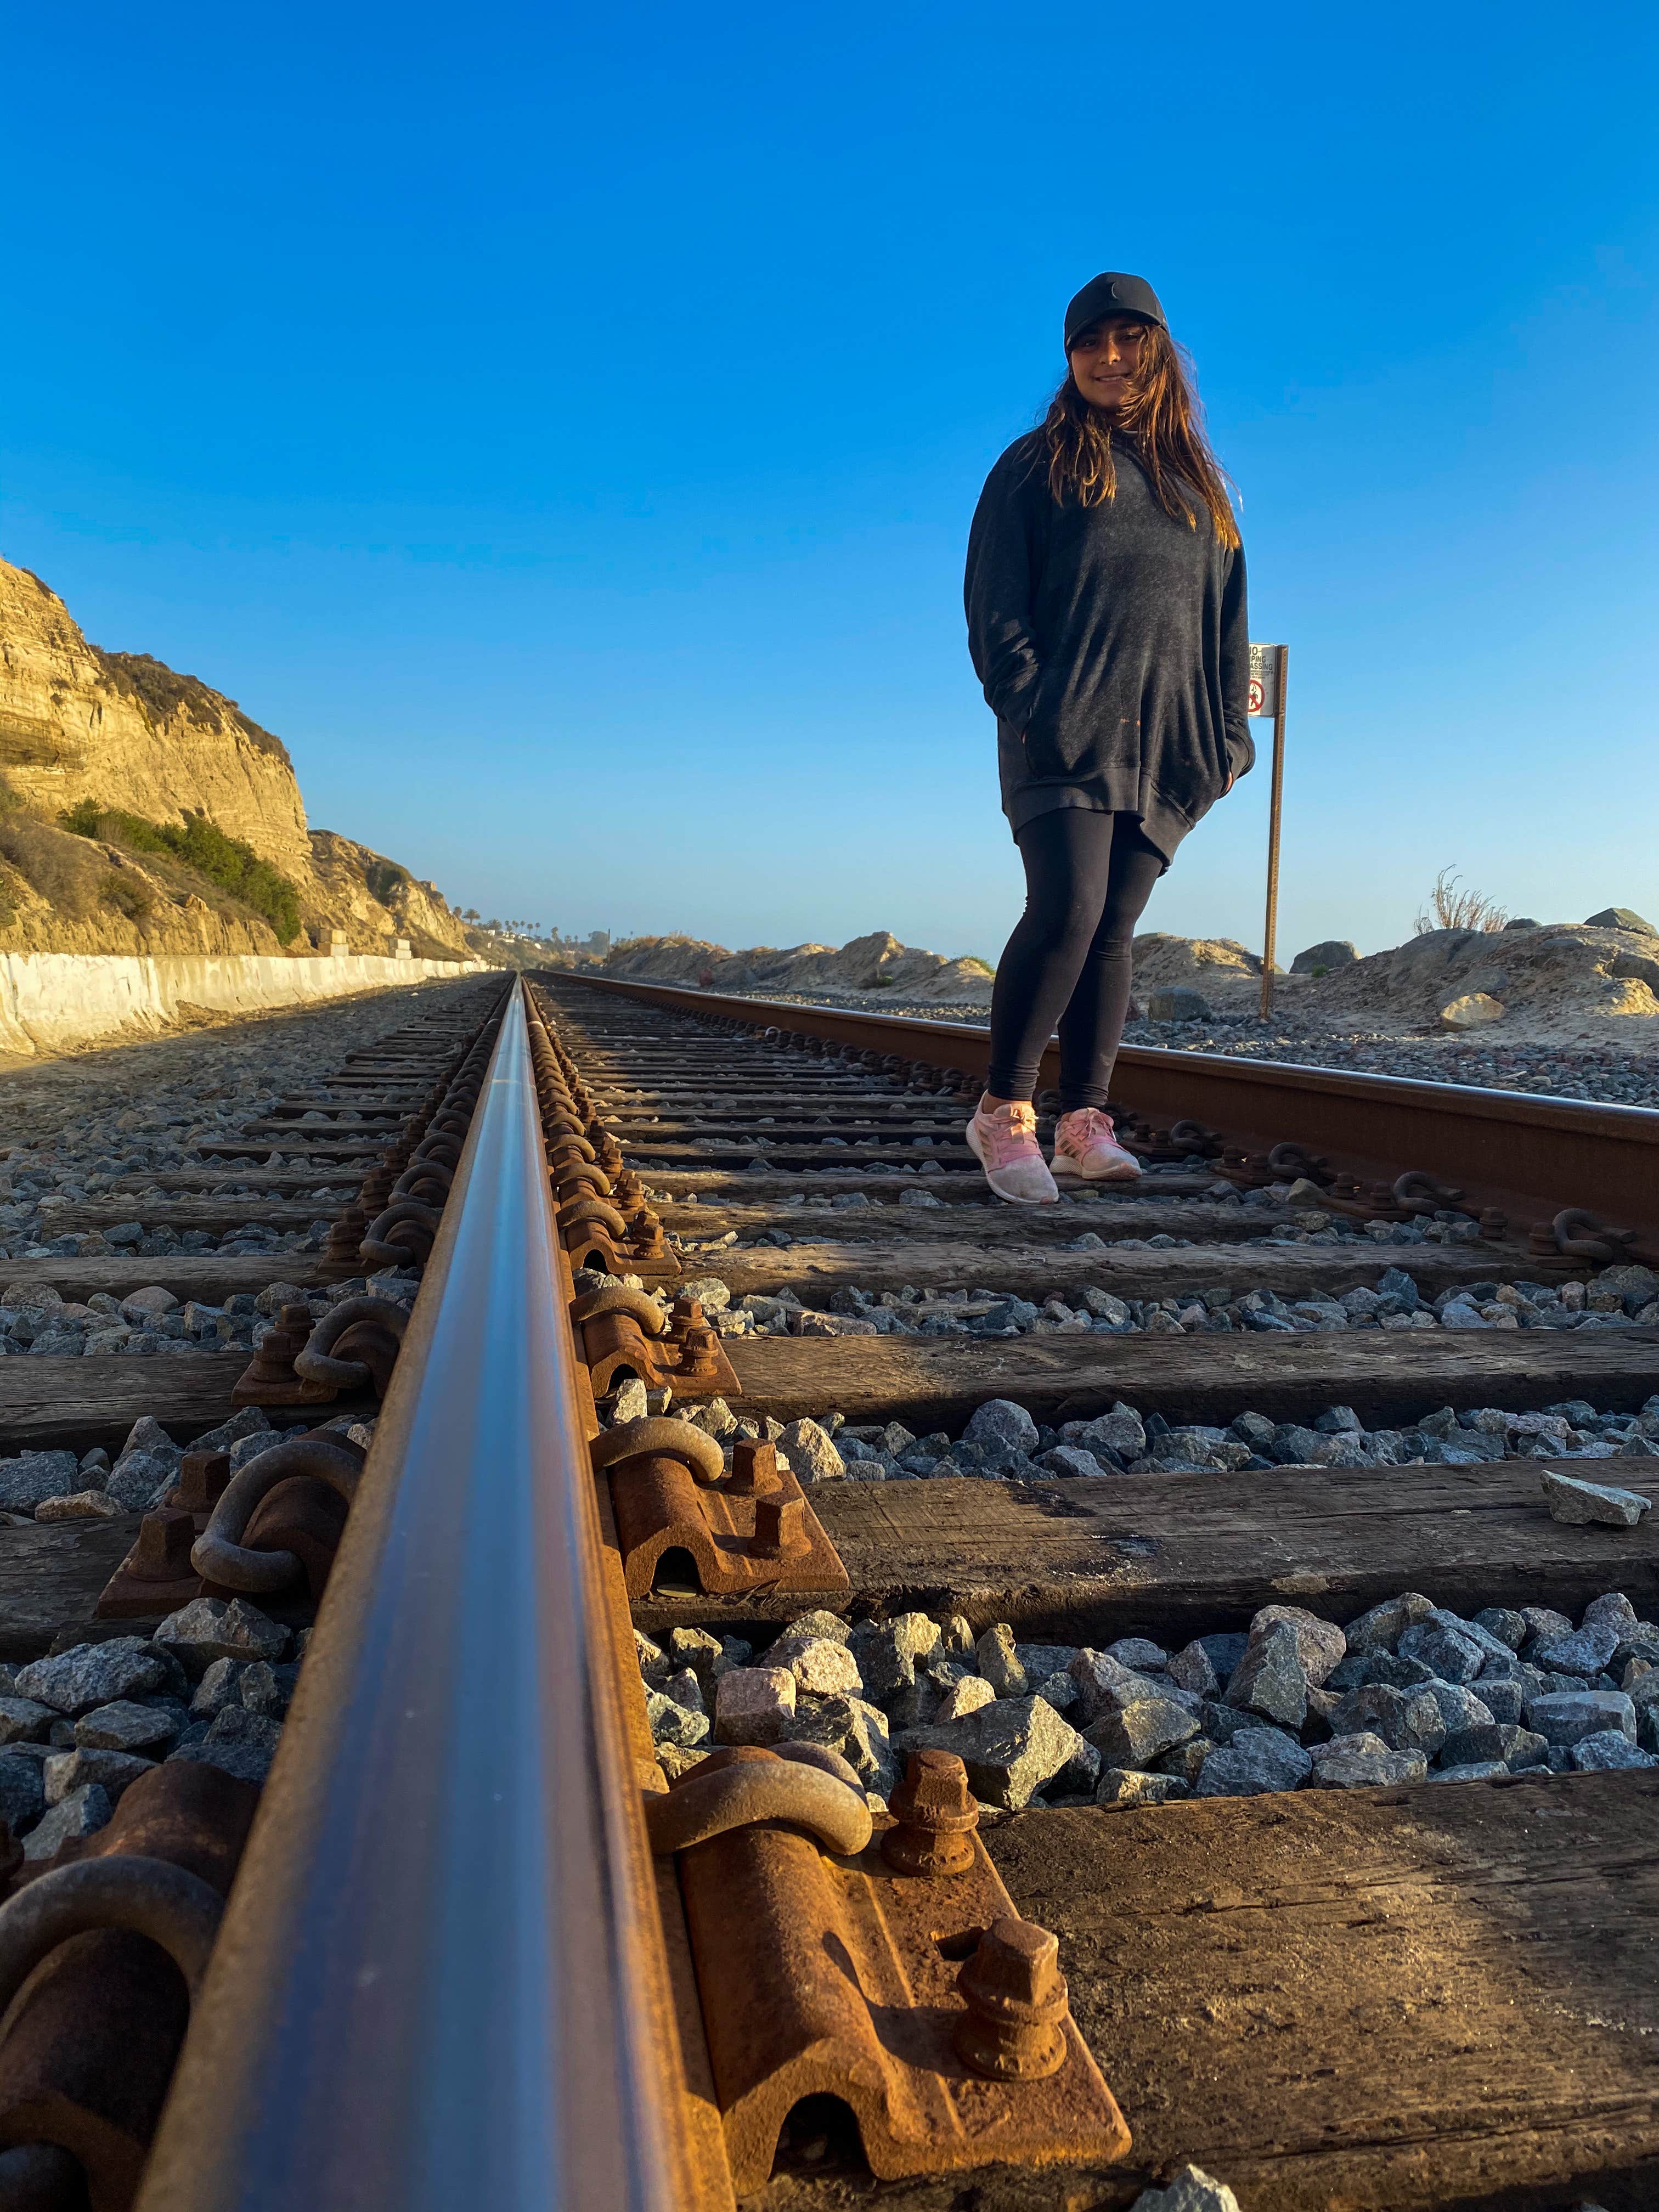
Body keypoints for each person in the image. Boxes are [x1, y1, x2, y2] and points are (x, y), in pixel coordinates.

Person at [962, 270, 1251, 1204]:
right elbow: (994, 606)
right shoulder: (1035, 463)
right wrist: (1034, 704)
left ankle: (1085, 1121)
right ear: (1071, 356)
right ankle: (1004, 1112)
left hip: (1168, 747)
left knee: (1115, 930)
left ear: (1160, 353)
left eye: (1130, 340)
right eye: (1092, 342)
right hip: (1061, 735)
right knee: (1069, 908)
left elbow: (1227, 628)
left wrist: (1228, 744)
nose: (1110, 358)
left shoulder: (1200, 488)